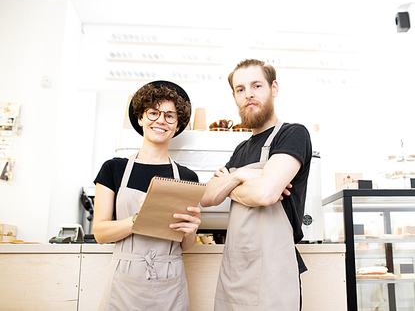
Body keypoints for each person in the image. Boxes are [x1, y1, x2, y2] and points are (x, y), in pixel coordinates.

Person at [200, 59, 312, 310]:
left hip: (275, 269)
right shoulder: (241, 149)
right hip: (236, 269)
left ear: (274, 88)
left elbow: (265, 193)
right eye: (240, 89)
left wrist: (231, 181)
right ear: (234, 97)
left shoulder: (293, 134)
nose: (248, 94)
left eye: (256, 85)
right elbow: (207, 197)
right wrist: (243, 176)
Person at [93, 80, 201, 310]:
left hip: (170, 282)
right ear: (140, 118)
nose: (161, 120)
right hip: (124, 279)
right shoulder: (114, 169)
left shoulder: (187, 177)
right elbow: (101, 233)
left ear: (177, 126)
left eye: (170, 116)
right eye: (153, 112)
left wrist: (191, 231)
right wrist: (140, 218)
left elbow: (186, 245)